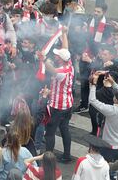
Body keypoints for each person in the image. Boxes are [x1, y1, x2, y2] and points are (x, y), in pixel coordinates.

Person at [42, 28, 74, 163]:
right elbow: (65, 48)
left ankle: (48, 158)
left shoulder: (61, 71)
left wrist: (44, 59)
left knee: (50, 132)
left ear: (61, 59)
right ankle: (67, 155)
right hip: (68, 104)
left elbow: (51, 69)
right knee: (64, 129)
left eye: (57, 56)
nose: (55, 56)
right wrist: (65, 34)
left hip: (58, 106)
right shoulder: (69, 64)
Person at [89, 72, 118, 163]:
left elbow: (92, 100)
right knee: (116, 168)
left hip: (109, 146)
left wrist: (93, 85)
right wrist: (113, 83)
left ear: (115, 99)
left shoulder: (111, 111)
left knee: (106, 169)